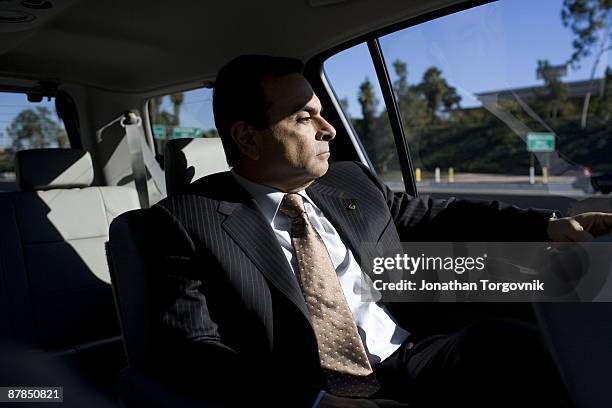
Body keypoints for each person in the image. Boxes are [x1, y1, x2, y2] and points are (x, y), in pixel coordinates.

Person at [145, 55, 611, 407]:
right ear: (247, 137)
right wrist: (315, 403)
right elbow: (192, 350)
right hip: (315, 388)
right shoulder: (183, 223)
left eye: (322, 112)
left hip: (412, 356)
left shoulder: (350, 181)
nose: (328, 129)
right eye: (304, 118)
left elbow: (438, 214)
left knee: (514, 344)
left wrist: (546, 224)